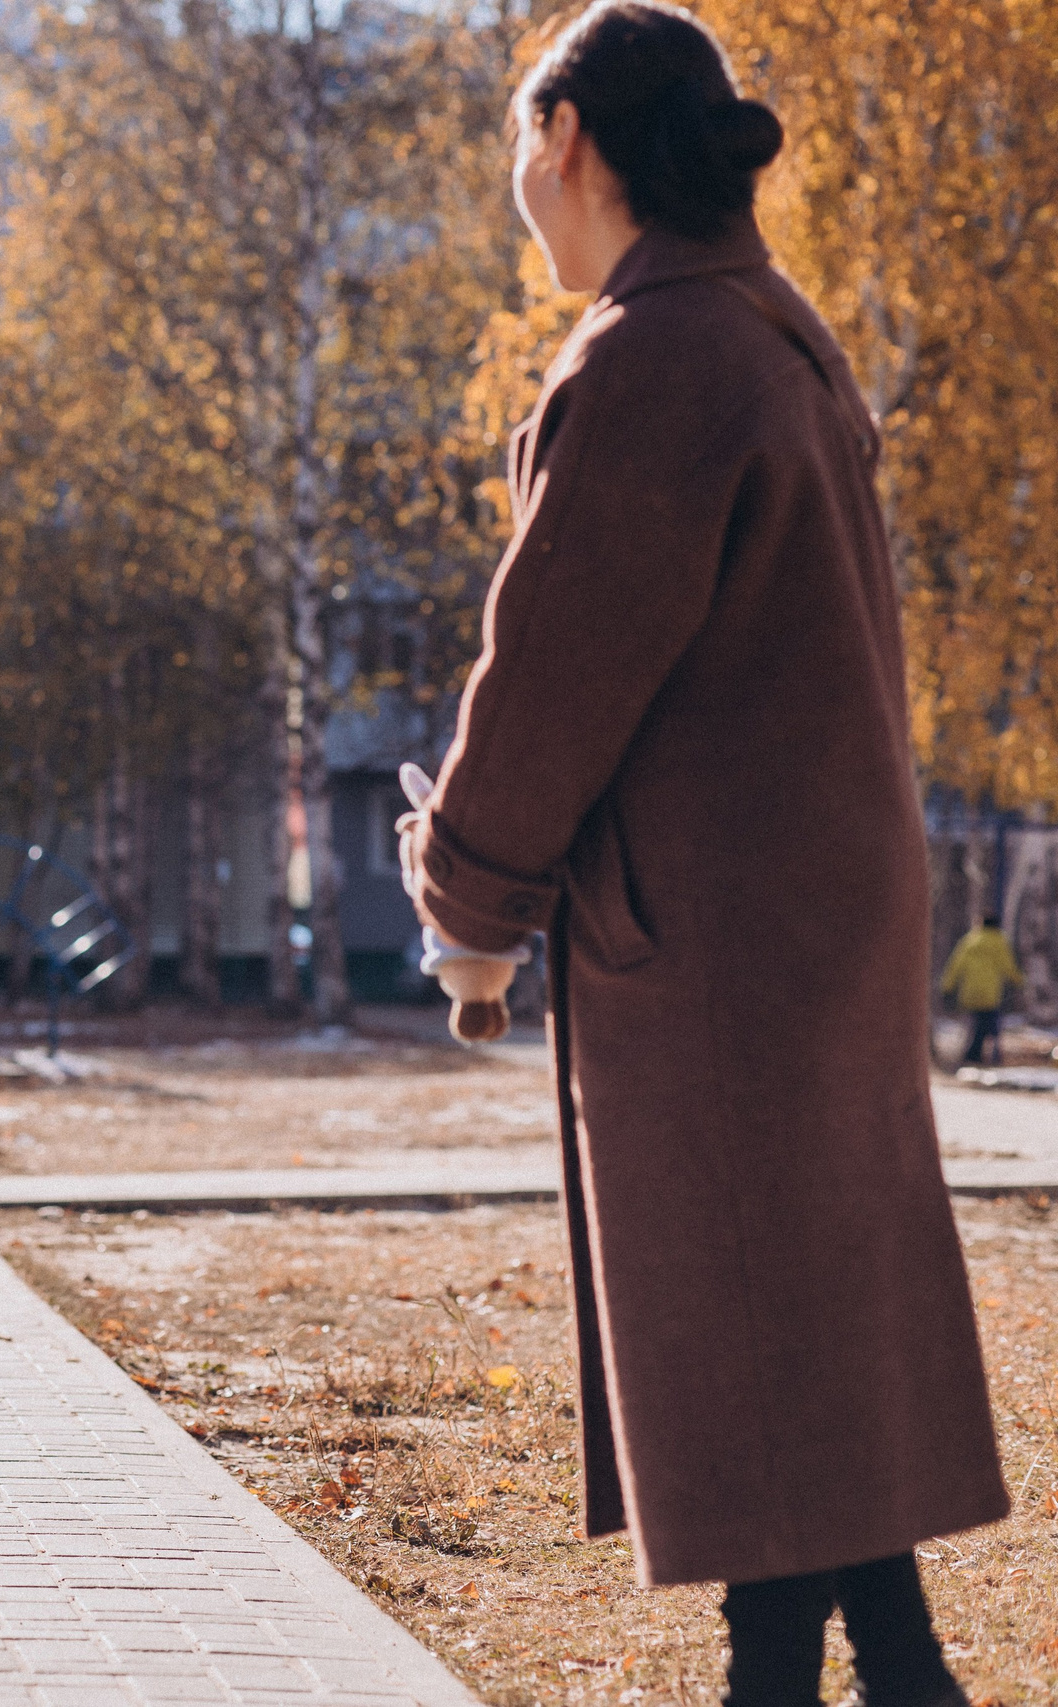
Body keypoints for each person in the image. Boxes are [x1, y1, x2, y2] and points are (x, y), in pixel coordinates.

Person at [399, 6, 1006, 1704]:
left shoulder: (654, 358)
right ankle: (895, 1661)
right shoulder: (772, 332)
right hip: (815, 907)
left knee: (752, 1310)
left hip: (725, 931)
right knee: (809, 1293)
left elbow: (555, 674)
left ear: (573, 137)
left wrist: (463, 888)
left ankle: (781, 1676)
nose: (518, 175)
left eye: (523, 138)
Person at [939, 914, 1023, 1067]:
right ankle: (975, 1056)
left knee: (976, 1024)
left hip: (969, 993)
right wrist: (1020, 981)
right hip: (990, 994)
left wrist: (947, 986)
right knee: (986, 1025)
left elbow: (955, 965)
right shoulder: (999, 942)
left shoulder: (970, 940)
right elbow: (1008, 966)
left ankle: (973, 1055)